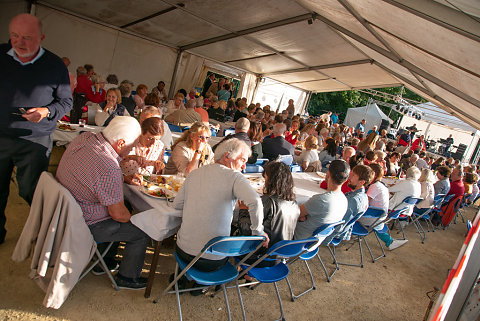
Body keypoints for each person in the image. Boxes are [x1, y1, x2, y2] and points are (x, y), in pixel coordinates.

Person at [0, 14, 73, 244]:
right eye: (15, 36)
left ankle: (44, 234)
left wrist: (45, 111)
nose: (20, 43)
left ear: (41, 38)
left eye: (28, 38)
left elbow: (65, 102)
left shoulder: (54, 65)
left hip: (35, 139)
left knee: (31, 190)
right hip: (1, 134)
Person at [56, 116, 149, 289]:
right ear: (121, 143)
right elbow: (118, 215)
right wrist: (140, 220)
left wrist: (124, 177)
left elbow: (94, 174)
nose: (133, 148)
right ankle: (127, 277)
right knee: (141, 232)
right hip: (84, 223)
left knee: (125, 207)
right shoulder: (108, 167)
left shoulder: (85, 138)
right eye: (133, 144)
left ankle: (104, 260)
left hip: (67, 209)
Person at [173, 138, 269, 274]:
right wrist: (258, 232)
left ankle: (184, 278)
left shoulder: (194, 173)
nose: (244, 167)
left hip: (183, 252)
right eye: (242, 160)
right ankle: (198, 285)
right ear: (227, 156)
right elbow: (255, 202)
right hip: (212, 261)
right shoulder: (234, 177)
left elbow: (177, 205)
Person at [234, 161, 300, 265]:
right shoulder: (294, 203)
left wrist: (243, 210)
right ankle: (247, 275)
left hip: (259, 257)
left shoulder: (268, 202)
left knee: (232, 228)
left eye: (266, 178)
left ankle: (244, 272)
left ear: (271, 181)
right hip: (280, 257)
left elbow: (247, 229)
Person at [294, 160, 349, 241]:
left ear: (328, 174)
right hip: (315, 241)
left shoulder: (322, 200)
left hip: (297, 240)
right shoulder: (344, 200)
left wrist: (300, 217)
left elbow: (294, 214)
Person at [358, 164, 408, 250]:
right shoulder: (381, 185)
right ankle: (390, 241)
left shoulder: (374, 186)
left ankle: (390, 242)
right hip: (379, 217)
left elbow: (364, 202)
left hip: (371, 218)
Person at [334, 165, 372, 241]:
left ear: (362, 182)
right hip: (344, 230)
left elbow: (339, 225)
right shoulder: (363, 196)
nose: (349, 177)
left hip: (335, 233)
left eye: (353, 175)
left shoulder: (353, 201)